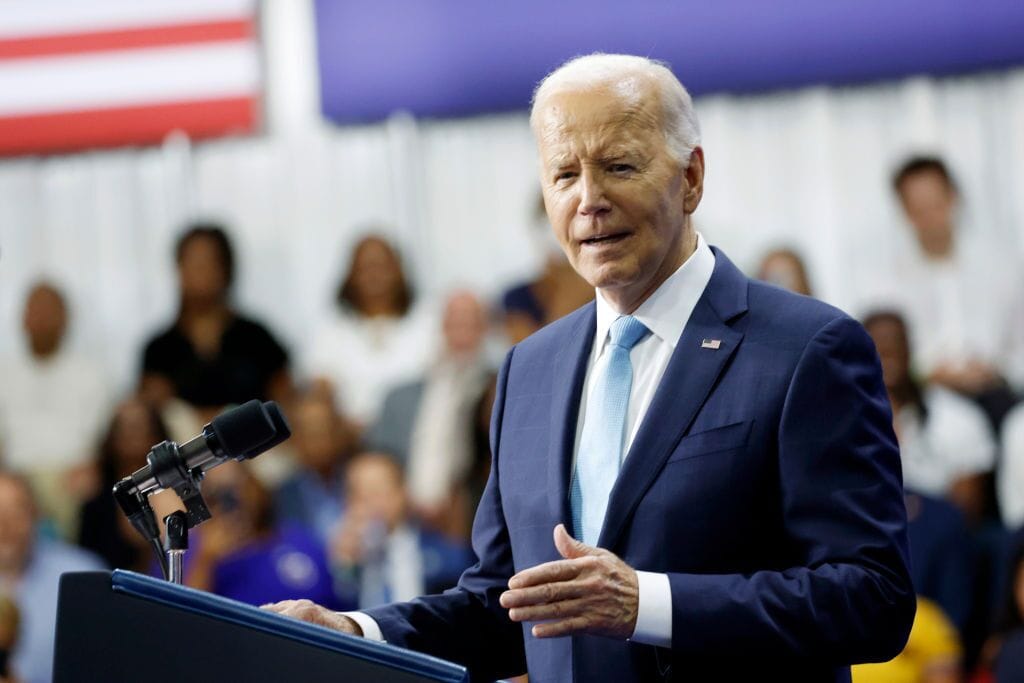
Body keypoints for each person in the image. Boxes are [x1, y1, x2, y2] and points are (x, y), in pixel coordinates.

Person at [265, 54, 914, 681]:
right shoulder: (528, 370)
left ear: (691, 178)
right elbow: (507, 604)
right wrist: (357, 630)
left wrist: (646, 605)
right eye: (564, 174)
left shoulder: (808, 348)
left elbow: (871, 599)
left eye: (619, 165)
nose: (589, 199)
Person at [886, 157, 1024, 428]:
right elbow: (886, 358)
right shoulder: (886, 281)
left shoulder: (1001, 265)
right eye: (918, 209)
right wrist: (929, 374)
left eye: (935, 205)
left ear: (953, 198)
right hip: (926, 400)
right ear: (904, 211)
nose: (930, 218)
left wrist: (997, 371)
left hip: (1001, 392)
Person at [365, 290, 494, 536]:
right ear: (442, 328)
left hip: (470, 516)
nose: (463, 333)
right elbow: (377, 460)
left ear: (486, 330)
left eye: (472, 323)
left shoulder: (499, 391)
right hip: (401, 517)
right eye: (455, 322)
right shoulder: (398, 397)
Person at [140, 223, 293, 426]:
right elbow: (154, 415)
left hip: (253, 447)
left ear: (226, 269)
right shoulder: (160, 349)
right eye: (192, 263)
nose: (201, 272)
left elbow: (285, 403)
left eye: (208, 262)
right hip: (188, 450)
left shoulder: (256, 338)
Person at [863, 310, 996, 524]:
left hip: (934, 538)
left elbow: (965, 514)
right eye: (876, 344)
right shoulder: (839, 422)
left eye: (895, 342)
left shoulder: (958, 418)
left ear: (910, 347)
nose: (887, 352)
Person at [0, 282, 110, 538]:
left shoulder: (91, 373)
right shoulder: (4, 373)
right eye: (35, 310)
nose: (42, 319)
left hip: (72, 476)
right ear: (22, 318)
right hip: (16, 474)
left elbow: (103, 439)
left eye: (50, 310)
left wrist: (93, 465)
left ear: (67, 319)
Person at [303, 234, 435, 429]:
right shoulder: (331, 329)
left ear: (399, 270)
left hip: (415, 430)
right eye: (365, 268)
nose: (374, 275)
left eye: (382, 266)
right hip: (350, 437)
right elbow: (320, 388)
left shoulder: (428, 321)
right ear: (350, 275)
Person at [329, 452, 474, 609]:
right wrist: (344, 568)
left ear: (403, 492)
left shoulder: (445, 554)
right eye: (359, 493)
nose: (370, 501)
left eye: (378, 490)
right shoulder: (343, 560)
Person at [0, 472, 104, 683]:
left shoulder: (83, 574)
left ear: (36, 514)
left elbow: (108, 659)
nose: (5, 525)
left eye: (15, 512)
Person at [77, 398, 170, 572]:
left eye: (141, 426)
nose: (132, 433)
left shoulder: (182, 491)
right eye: (124, 427)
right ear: (112, 438)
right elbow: (85, 564)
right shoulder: (95, 505)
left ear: (158, 433)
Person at [501, 195, 595, 344]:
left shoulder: (601, 292)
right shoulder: (516, 297)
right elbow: (530, 357)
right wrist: (567, 296)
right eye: (548, 225)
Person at [274, 389, 356, 543]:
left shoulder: (358, 479)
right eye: (309, 432)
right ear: (295, 439)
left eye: (325, 429)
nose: (319, 441)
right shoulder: (284, 494)